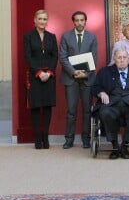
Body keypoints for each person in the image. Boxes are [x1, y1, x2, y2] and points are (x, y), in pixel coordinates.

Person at [91, 46, 129, 159]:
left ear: (128, 58)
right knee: (104, 112)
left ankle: (124, 146)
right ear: (114, 59)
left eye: (124, 57)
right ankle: (115, 146)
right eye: (119, 57)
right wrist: (101, 93)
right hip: (112, 104)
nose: (122, 60)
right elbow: (95, 87)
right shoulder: (105, 72)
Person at [59, 10, 98, 149]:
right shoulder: (66, 37)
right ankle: (69, 139)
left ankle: (86, 139)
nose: (80, 23)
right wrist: (74, 72)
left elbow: (94, 58)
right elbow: (62, 58)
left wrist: (85, 74)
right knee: (71, 110)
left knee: (87, 110)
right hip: (71, 78)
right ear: (73, 22)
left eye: (82, 20)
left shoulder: (92, 37)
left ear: (85, 21)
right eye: (77, 20)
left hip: (87, 79)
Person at [24, 10, 58, 149]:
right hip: (35, 75)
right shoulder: (28, 36)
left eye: (45, 19)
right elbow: (28, 56)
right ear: (35, 20)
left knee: (47, 106)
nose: (43, 21)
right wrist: (39, 72)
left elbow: (54, 56)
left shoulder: (51, 36)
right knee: (36, 106)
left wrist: (49, 72)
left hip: (49, 76)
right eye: (40, 19)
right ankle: (38, 137)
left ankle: (46, 136)